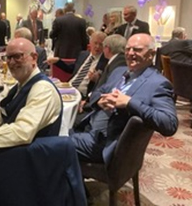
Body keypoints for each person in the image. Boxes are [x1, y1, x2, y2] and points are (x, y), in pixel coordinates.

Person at [71, 33, 178, 166]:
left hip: (105, 143)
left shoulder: (158, 83)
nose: (130, 53)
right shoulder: (119, 71)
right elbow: (98, 91)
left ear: (151, 54)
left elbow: (169, 124)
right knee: (52, 129)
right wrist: (99, 100)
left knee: (48, 143)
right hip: (87, 126)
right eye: (128, 49)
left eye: (137, 50)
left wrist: (129, 102)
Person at [47, 31, 108, 98]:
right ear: (90, 43)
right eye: (95, 43)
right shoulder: (83, 54)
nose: (97, 46)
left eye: (101, 44)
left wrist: (97, 79)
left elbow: (105, 83)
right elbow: (71, 69)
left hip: (83, 95)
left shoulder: (105, 62)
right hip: (69, 88)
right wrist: (58, 61)